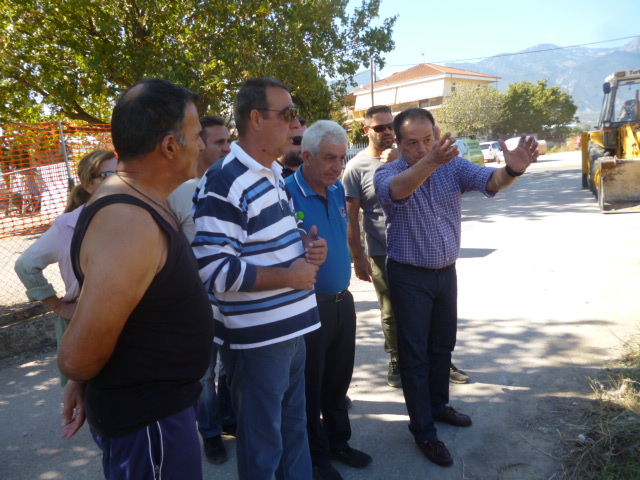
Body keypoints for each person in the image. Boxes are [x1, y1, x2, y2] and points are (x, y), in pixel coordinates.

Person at [58, 78, 213, 480]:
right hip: (149, 423)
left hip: (160, 413)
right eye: (197, 135)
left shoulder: (140, 199)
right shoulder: (128, 222)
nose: (201, 146)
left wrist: (84, 376)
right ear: (170, 146)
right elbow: (77, 357)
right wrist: (79, 373)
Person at [373, 108, 539, 468]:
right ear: (398, 143)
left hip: (445, 273)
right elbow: (398, 191)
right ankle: (423, 431)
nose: (422, 148)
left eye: (428, 139)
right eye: (412, 143)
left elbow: (490, 180)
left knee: (442, 346)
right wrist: (431, 161)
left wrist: (513, 170)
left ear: (437, 135)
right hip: (408, 276)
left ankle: (438, 405)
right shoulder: (388, 172)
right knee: (414, 356)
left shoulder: (453, 166)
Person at [192, 77, 328, 480]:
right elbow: (214, 270)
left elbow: (272, 237)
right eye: (288, 114)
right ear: (256, 118)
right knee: (263, 447)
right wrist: (290, 275)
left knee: (294, 432)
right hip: (259, 342)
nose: (296, 124)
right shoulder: (224, 180)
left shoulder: (271, 174)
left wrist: (307, 246)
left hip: (292, 331)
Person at [343, 106, 469, 387]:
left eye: (390, 126)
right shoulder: (357, 167)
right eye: (379, 128)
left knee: (433, 317)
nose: (386, 131)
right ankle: (397, 358)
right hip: (382, 251)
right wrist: (358, 256)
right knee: (391, 312)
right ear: (366, 131)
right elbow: (351, 216)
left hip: (420, 250)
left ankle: (441, 363)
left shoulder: (413, 156)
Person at [286, 120, 372, 480]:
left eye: (341, 158)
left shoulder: (336, 189)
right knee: (311, 386)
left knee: (338, 380)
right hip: (308, 305)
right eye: (329, 158)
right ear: (307, 156)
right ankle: (317, 458)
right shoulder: (286, 194)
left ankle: (339, 442)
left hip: (342, 300)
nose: (338, 166)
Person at [14, 150, 117, 386]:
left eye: (121, 173)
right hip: (83, 322)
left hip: (128, 319)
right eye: (106, 175)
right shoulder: (68, 225)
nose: (116, 180)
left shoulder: (134, 217)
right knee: (89, 394)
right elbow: (25, 265)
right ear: (87, 184)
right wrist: (58, 306)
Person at [168, 114, 236, 465]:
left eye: (229, 141)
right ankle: (210, 433)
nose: (227, 148)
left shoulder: (231, 184)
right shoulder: (180, 192)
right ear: (200, 146)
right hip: (199, 303)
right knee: (206, 372)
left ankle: (227, 418)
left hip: (234, 298)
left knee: (228, 368)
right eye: (219, 142)